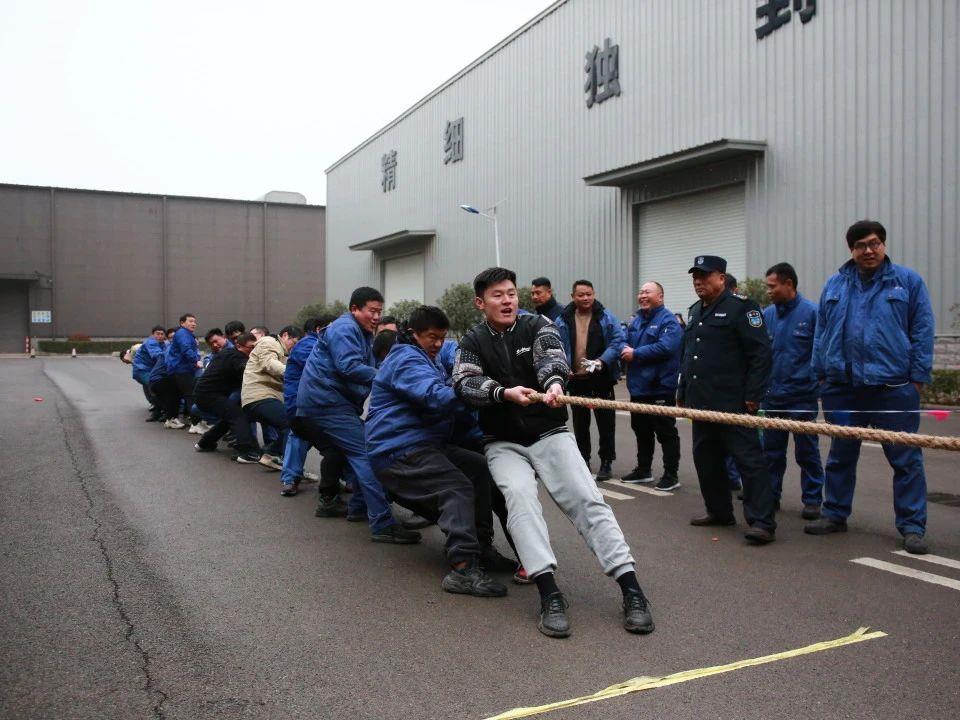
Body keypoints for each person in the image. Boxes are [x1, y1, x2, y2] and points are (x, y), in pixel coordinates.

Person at [454, 267, 653, 639]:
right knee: (519, 500)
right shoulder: (472, 341)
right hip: (502, 442)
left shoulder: (538, 325)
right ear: (481, 303)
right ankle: (549, 594)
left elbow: (552, 359)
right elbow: (465, 382)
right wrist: (503, 393)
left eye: (511, 293)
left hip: (550, 432)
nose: (507, 301)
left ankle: (632, 590)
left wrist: (555, 383)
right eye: (497, 295)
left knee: (588, 500)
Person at [806, 220, 935, 554]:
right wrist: (821, 375)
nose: (869, 250)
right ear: (851, 250)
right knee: (841, 455)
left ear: (884, 245)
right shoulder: (835, 284)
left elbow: (922, 330)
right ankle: (835, 513)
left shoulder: (907, 282)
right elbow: (821, 332)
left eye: (875, 243)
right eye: (861, 245)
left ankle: (912, 526)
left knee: (905, 459)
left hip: (893, 388)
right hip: (842, 388)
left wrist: (918, 378)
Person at [367, 305, 509, 597]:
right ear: (413, 333)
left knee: (478, 468)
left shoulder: (429, 359)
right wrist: (484, 391)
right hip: (398, 449)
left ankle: (481, 548)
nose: (438, 343)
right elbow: (436, 397)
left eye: (442, 337)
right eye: (432, 337)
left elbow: (455, 367)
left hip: (424, 444)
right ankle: (463, 567)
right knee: (455, 487)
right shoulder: (406, 359)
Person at [296, 287, 420, 544]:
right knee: (368, 455)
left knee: (355, 451)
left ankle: (358, 508)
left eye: (379, 312)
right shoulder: (345, 329)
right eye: (371, 311)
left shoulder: (361, 332)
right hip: (327, 404)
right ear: (354, 309)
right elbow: (349, 366)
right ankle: (382, 524)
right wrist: (390, 378)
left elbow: (368, 367)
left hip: (330, 403)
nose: (376, 317)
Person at [678, 255, 778, 545]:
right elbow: (689, 355)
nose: (698, 281)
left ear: (721, 278)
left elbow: (761, 354)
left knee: (749, 461)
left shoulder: (742, 308)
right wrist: (683, 392)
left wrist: (754, 395)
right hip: (702, 402)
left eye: (704, 276)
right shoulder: (695, 311)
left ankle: (762, 521)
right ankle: (719, 511)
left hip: (734, 403)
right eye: (695, 276)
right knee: (706, 460)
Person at [761, 262, 824, 519]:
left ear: (789, 284)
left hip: (802, 397)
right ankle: (770, 496)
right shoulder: (767, 315)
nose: (768, 291)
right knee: (771, 453)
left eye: (772, 286)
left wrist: (814, 383)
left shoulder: (812, 313)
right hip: (773, 397)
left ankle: (812, 500)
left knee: (807, 452)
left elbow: (821, 353)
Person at [553, 280, 624, 482]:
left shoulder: (606, 316)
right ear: (573, 296)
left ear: (594, 294)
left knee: (606, 424)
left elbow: (618, 341)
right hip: (576, 379)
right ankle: (583, 460)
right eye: (581, 295)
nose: (585, 298)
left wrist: (602, 361)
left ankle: (606, 462)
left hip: (601, 378)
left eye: (589, 294)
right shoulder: (562, 319)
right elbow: (556, 345)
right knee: (580, 424)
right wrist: (564, 366)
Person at [620, 281, 682, 490]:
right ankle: (643, 469)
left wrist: (635, 353)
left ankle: (671, 474)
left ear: (660, 296)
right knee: (641, 429)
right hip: (639, 387)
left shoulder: (669, 321)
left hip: (660, 386)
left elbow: (666, 347)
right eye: (641, 292)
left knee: (665, 432)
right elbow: (624, 341)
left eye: (647, 292)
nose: (643, 296)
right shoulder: (637, 320)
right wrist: (622, 348)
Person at [281, 316, 345, 502]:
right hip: (301, 406)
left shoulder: (320, 344)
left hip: (319, 404)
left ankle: (343, 479)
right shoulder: (308, 345)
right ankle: (291, 478)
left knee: (336, 442)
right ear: (319, 329)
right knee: (299, 437)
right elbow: (327, 368)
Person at [241, 325, 302, 471]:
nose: (294, 347)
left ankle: (272, 455)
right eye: (294, 342)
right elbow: (269, 363)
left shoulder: (281, 351)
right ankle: (289, 466)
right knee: (291, 424)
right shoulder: (270, 342)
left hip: (262, 396)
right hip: (260, 396)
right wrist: (293, 373)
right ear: (285, 335)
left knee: (288, 425)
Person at [193, 333, 262, 460]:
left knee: (229, 416)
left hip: (204, 394)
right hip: (210, 395)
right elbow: (246, 370)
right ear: (239, 346)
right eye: (251, 347)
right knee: (238, 416)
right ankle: (247, 452)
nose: (253, 350)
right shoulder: (237, 357)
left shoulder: (228, 353)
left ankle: (205, 443)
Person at [167, 313, 201, 426]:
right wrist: (196, 360)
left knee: (179, 395)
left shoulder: (185, 334)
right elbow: (186, 349)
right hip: (182, 369)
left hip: (179, 369)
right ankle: (196, 424)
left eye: (194, 321)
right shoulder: (183, 333)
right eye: (190, 321)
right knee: (190, 395)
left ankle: (172, 420)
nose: (194, 324)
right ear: (182, 323)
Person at [132, 325, 166, 421]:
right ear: (152, 334)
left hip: (150, 370)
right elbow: (157, 355)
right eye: (157, 334)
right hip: (141, 370)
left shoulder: (163, 344)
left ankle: (156, 410)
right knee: (157, 386)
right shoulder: (151, 342)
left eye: (162, 334)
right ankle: (158, 412)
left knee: (152, 387)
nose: (159, 336)